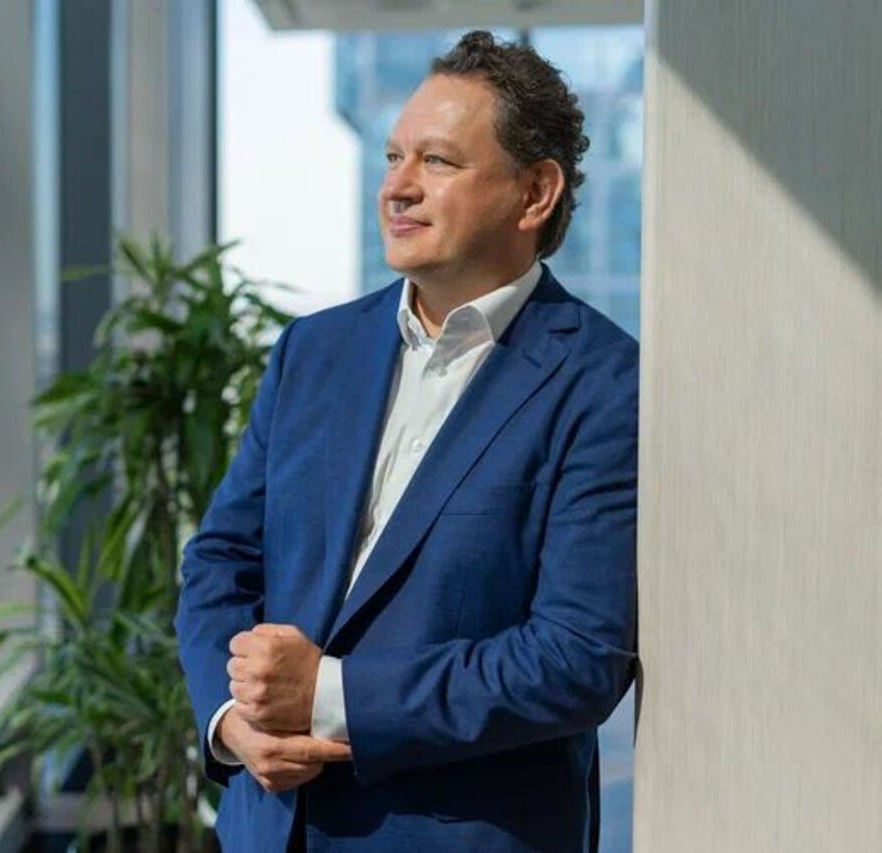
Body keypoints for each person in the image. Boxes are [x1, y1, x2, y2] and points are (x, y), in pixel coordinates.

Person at [175, 30, 638, 853]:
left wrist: (329, 694)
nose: (398, 185)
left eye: (437, 161)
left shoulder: (605, 382)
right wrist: (229, 718)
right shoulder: (313, 351)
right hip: (268, 828)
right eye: (393, 157)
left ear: (535, 193)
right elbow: (220, 560)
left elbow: (574, 659)